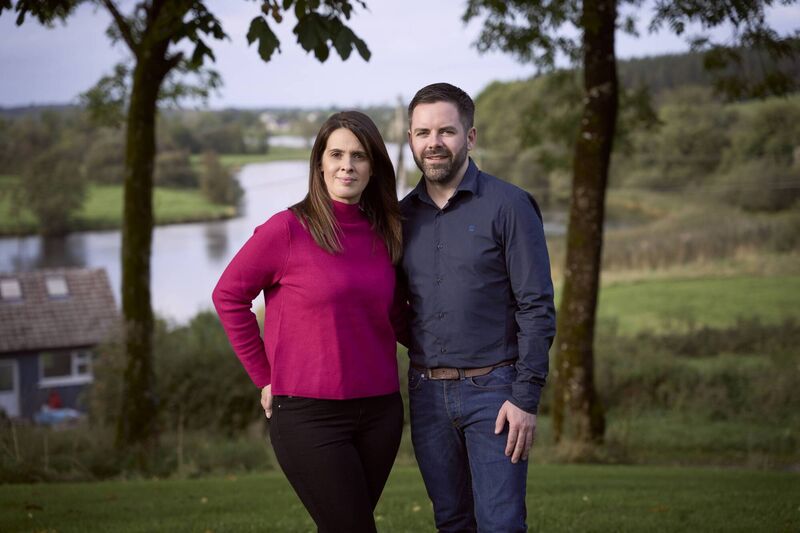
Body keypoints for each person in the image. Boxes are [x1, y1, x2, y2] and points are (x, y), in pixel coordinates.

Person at [212, 111, 404, 533]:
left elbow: (394, 318)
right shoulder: (287, 229)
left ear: (374, 167)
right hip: (308, 416)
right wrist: (264, 377)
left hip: (381, 414)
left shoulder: (385, 231)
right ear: (319, 162)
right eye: (336, 154)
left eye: (359, 156)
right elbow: (228, 296)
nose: (346, 166)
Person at [399, 82, 556, 532]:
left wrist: (525, 396)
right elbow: (387, 303)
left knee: (501, 524)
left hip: (497, 393)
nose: (434, 143)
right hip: (427, 393)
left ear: (469, 137)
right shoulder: (401, 216)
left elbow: (537, 306)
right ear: (410, 139)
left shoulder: (510, 205)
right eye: (422, 132)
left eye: (446, 131)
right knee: (451, 522)